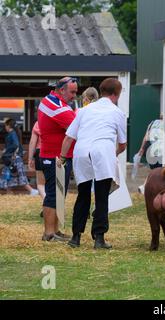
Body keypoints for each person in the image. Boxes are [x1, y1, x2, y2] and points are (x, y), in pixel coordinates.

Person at [58, 78, 127, 249]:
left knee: (83, 195)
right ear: (116, 94)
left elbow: (68, 137)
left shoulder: (83, 111)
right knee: (102, 196)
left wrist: (62, 157)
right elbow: (122, 144)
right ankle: (99, 238)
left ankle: (75, 237)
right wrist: (114, 154)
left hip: (81, 152)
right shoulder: (117, 112)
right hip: (103, 151)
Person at [38, 76, 77, 242]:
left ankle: (55, 230)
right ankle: (49, 233)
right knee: (54, 195)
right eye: (72, 92)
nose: (75, 95)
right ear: (61, 90)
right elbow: (77, 125)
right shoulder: (56, 106)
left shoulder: (51, 101)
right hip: (54, 157)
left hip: (59, 156)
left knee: (59, 194)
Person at [0, 118, 39, 195]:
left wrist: (7, 152)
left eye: (5, 125)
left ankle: (31, 191)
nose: (5, 127)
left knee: (17, 175)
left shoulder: (12, 134)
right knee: (9, 175)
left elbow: (15, 145)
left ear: (8, 126)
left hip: (14, 158)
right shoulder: (12, 134)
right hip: (12, 158)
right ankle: (9, 192)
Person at [137, 114, 164, 194]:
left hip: (151, 151)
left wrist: (141, 149)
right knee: (158, 171)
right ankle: (145, 187)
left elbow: (146, 137)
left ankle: (146, 187)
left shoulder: (152, 123)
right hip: (161, 151)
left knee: (155, 171)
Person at [28, 121, 46, 217]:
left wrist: (30, 158)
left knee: (40, 184)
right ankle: (51, 205)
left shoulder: (38, 123)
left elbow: (32, 142)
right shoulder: (57, 119)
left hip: (41, 153)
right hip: (56, 153)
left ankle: (47, 203)